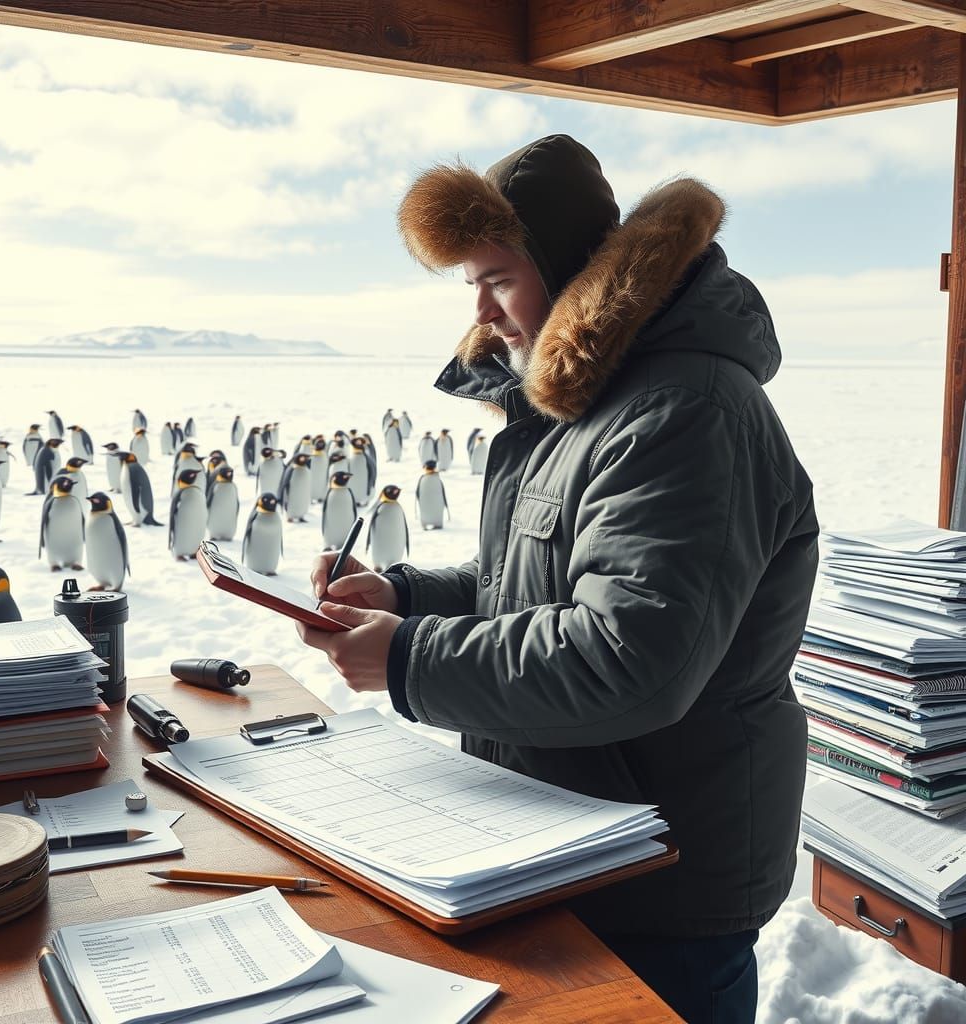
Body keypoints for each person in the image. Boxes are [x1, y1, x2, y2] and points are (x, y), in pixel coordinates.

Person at [296, 134, 818, 1024]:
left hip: (662, 885)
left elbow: (629, 655)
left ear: (573, 269)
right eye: (471, 285)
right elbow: (530, 585)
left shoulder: (682, 413)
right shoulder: (583, 402)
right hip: (565, 848)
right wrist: (407, 598)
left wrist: (411, 661)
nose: (485, 311)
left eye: (498, 276)